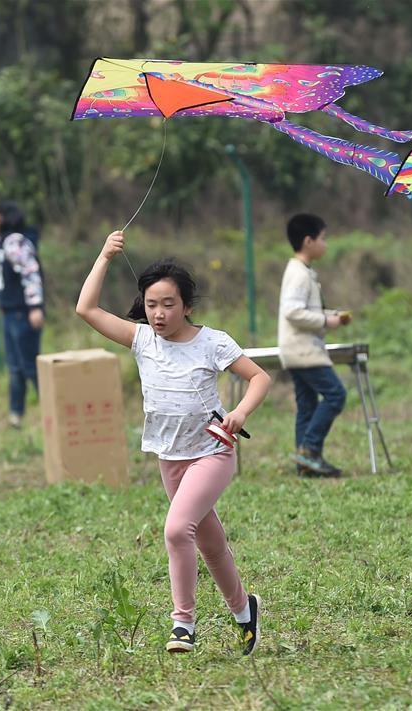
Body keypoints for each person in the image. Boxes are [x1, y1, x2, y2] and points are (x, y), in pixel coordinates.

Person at [76, 230, 271, 655]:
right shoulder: (142, 339)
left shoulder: (212, 341)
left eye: (168, 304)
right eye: (151, 305)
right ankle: (244, 611)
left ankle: (183, 624)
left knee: (175, 530)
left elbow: (260, 377)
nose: (159, 314)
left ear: (187, 306)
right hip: (171, 457)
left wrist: (239, 414)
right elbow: (86, 308)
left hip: (213, 452)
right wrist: (105, 256)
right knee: (210, 543)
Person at [278, 213, 351, 477]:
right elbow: (292, 312)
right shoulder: (299, 274)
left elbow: (302, 309)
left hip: (295, 350)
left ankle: (305, 464)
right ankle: (309, 449)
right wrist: (324, 320)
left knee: (307, 403)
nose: (326, 244)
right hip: (304, 350)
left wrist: (330, 315)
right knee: (335, 394)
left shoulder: (301, 271)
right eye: (323, 238)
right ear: (308, 241)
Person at [0, 201, 45, 428]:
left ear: (1, 217)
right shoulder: (4, 242)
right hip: (10, 313)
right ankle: (15, 415)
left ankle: (51, 409)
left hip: (23, 312)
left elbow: (31, 274)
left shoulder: (15, 242)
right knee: (15, 366)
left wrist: (35, 307)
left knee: (30, 366)